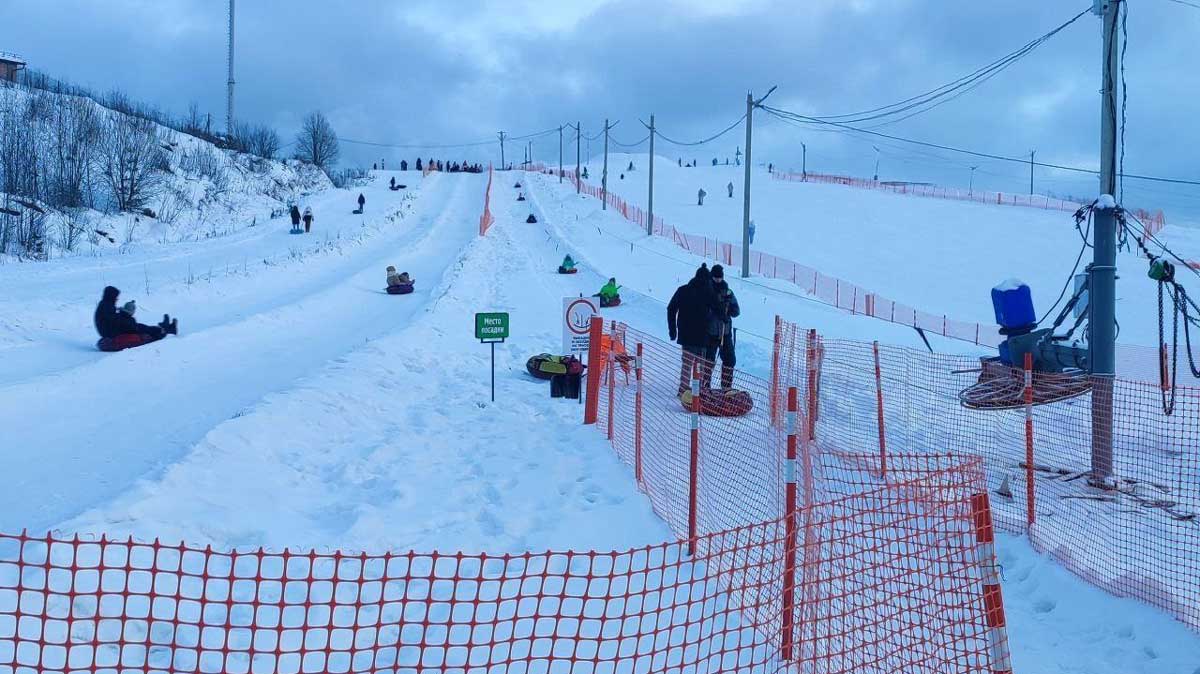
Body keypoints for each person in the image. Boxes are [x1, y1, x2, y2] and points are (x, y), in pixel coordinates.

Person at [667, 264, 721, 395]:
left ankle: (683, 391)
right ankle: (698, 393)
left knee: (687, 364)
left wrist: (672, 330)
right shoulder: (708, 293)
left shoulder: (683, 290)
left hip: (686, 334)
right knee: (700, 366)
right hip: (703, 335)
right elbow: (719, 310)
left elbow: (671, 308)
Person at [94, 287, 177, 342]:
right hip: (111, 332)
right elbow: (114, 319)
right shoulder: (106, 306)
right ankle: (165, 330)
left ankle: (165, 328)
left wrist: (123, 314)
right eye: (116, 297)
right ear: (111, 296)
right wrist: (127, 317)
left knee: (140, 326)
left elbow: (112, 318)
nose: (117, 299)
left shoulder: (105, 304)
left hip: (111, 330)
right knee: (141, 328)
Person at [706, 265, 740, 389]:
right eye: (716, 278)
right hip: (711, 333)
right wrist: (715, 311)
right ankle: (705, 386)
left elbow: (736, 311)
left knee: (730, 360)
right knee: (708, 361)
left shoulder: (727, 291)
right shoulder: (707, 290)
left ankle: (726, 388)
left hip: (725, 333)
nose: (718, 280)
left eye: (720, 278)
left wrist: (729, 310)